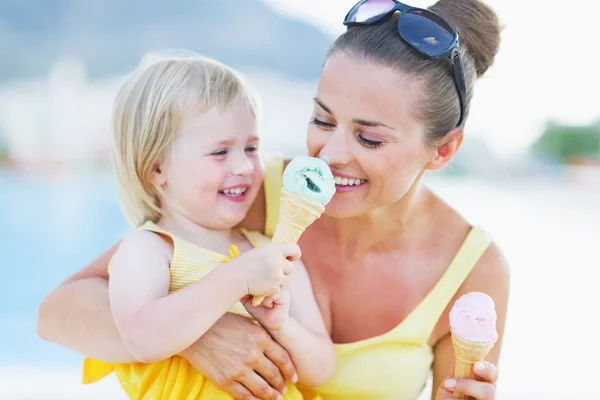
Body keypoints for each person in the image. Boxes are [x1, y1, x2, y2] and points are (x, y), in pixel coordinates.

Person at [37, 1, 509, 399]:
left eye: (369, 139)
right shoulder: (250, 190)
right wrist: (197, 335)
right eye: (323, 121)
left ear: (443, 149)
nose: (329, 155)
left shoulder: (475, 269)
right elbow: (58, 313)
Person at [78, 55, 334, 399]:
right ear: (157, 169)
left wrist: (283, 326)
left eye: (251, 147)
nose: (244, 166)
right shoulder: (149, 250)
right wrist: (232, 279)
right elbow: (141, 339)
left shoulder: (272, 255)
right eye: (220, 152)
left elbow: (321, 370)